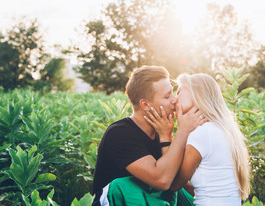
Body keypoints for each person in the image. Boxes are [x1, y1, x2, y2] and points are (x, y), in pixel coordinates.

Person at [91, 66, 207, 205]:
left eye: (173, 93)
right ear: (145, 104)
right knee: (122, 185)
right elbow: (162, 181)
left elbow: (177, 184)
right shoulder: (119, 133)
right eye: (167, 96)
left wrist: (166, 138)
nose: (174, 100)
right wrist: (183, 131)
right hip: (115, 200)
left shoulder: (161, 132)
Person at [146, 73, 251, 206]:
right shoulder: (221, 129)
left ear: (197, 94)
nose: (175, 99)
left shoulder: (203, 133)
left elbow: (173, 183)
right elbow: (194, 184)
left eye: (179, 92)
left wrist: (165, 136)